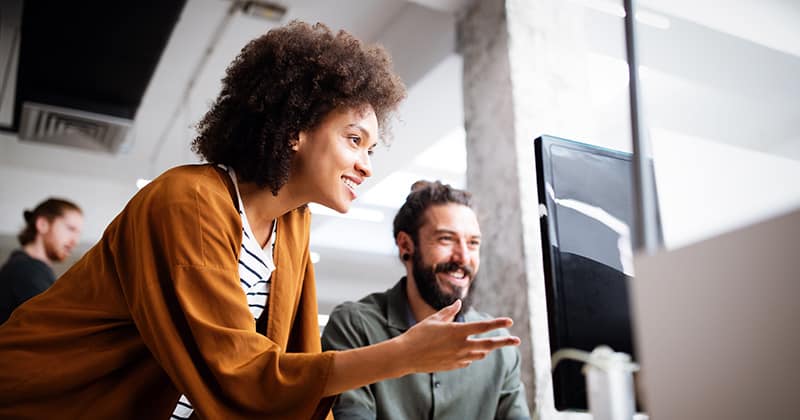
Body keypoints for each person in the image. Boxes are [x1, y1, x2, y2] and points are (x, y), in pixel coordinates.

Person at [0, 21, 520, 419]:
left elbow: (292, 359)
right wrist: (402, 355)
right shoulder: (189, 202)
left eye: (372, 148)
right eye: (354, 139)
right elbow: (238, 371)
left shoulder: (292, 226)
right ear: (295, 128)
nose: (366, 163)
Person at [322, 180, 531, 420]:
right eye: (446, 239)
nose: (463, 257)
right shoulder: (354, 326)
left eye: (473, 243)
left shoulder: (497, 345)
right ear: (405, 245)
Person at [0, 198, 83, 324]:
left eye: (78, 233)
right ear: (42, 224)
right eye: (70, 229)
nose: (75, 241)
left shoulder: (29, 268)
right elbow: (54, 326)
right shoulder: (27, 269)